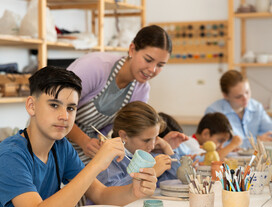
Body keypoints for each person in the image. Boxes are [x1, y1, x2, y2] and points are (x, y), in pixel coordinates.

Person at [0, 66, 157, 207]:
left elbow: (101, 195)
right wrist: (96, 164)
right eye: (54, 105)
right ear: (31, 106)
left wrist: (133, 191)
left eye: (71, 108)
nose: (64, 116)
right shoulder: (10, 157)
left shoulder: (61, 147)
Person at [66, 25, 186, 166]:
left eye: (160, 65)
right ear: (132, 49)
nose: (152, 70)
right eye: (148, 60)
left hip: (88, 149)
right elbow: (58, 111)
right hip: (55, 141)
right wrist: (83, 140)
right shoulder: (95, 67)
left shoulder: (142, 90)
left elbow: (126, 135)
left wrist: (157, 143)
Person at [97, 101, 183, 188]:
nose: (152, 146)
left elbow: (173, 182)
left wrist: (167, 148)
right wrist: (151, 173)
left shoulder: (148, 155)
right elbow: (110, 193)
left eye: (156, 137)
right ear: (124, 136)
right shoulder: (110, 159)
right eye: (147, 140)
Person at [205, 70, 272, 149]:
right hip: (227, 162)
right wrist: (255, 141)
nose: (245, 99)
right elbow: (212, 144)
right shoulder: (213, 112)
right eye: (238, 96)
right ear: (225, 95)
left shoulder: (256, 107)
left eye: (247, 92)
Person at [159, 112, 242, 161]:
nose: (221, 146)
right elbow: (210, 160)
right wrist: (232, 145)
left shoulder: (198, 145)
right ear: (206, 133)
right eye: (220, 141)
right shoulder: (190, 142)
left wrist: (228, 150)